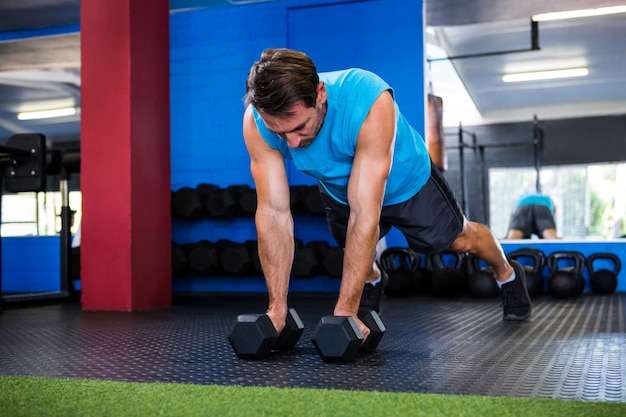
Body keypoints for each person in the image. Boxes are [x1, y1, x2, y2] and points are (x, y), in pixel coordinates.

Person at [242, 48, 531, 342]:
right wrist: (276, 309)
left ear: (320, 94)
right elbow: (273, 213)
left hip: (407, 182)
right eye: (280, 133)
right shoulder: (256, 122)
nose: (292, 143)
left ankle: (507, 272)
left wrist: (345, 313)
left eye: (299, 127)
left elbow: (365, 212)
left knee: (460, 240)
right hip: (340, 190)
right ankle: (373, 279)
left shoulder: (368, 99)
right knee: (355, 255)